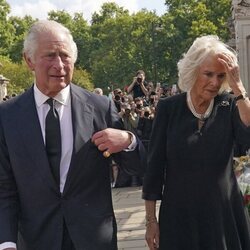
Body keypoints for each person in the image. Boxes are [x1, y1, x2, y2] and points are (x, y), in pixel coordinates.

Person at [0, 20, 144, 250]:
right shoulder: (7, 116)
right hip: (35, 240)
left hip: (93, 239)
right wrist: (6, 243)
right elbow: (4, 188)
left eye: (65, 56)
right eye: (50, 55)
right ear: (29, 60)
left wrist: (128, 141)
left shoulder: (100, 108)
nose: (59, 65)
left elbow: (139, 168)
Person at [142, 35, 250, 250]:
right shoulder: (168, 108)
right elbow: (154, 168)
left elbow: (248, 136)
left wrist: (238, 88)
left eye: (221, 76)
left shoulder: (229, 105)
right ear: (193, 71)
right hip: (179, 215)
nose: (215, 82)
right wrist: (151, 221)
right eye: (208, 74)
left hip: (224, 213)